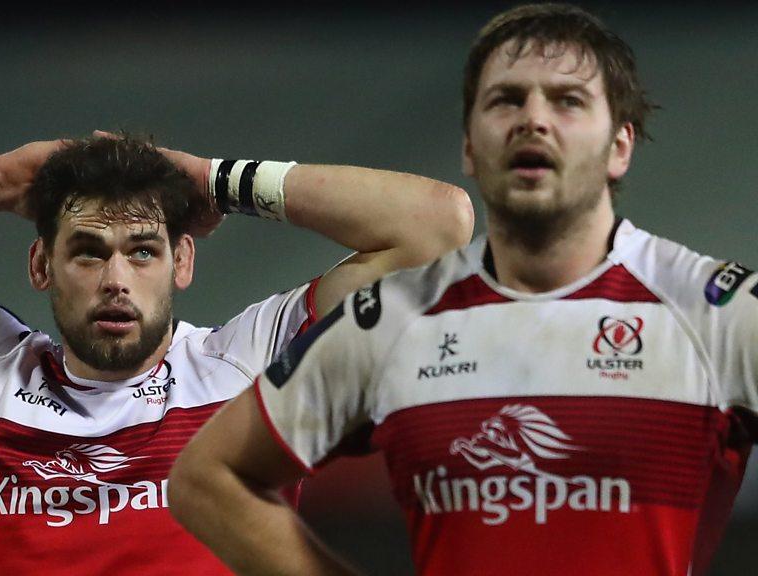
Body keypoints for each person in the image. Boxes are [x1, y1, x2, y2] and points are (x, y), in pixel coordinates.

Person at [168, 4, 758, 575]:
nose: (533, 119)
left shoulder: (717, 312)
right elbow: (207, 478)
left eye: (568, 100)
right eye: (505, 100)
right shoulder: (394, 320)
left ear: (620, 146)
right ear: (470, 147)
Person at [0, 132, 471, 575]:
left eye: (143, 251)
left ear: (182, 262)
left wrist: (210, 178)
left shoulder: (250, 362)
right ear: (41, 266)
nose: (117, 280)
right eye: (88, 252)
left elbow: (437, 226)